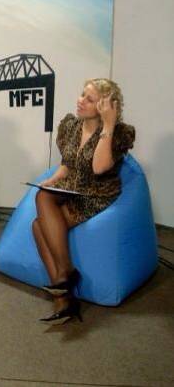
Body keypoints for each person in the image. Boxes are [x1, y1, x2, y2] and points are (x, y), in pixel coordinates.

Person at [33, 78, 135, 324]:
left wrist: (108, 123)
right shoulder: (71, 125)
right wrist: (51, 181)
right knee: (42, 194)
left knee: (37, 225)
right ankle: (66, 280)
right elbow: (67, 164)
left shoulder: (119, 133)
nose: (80, 101)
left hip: (96, 193)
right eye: (82, 95)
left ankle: (64, 290)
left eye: (89, 99)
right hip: (73, 187)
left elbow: (99, 168)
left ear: (103, 106)